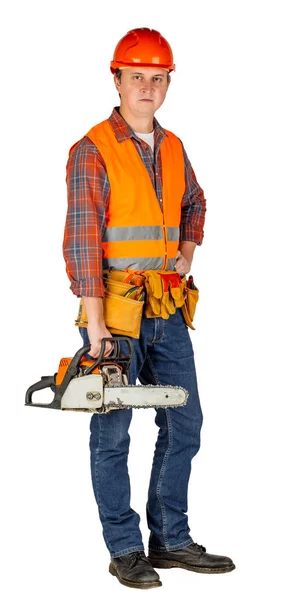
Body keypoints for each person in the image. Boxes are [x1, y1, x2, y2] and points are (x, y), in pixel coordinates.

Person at [63, 27, 235, 590]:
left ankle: (171, 539)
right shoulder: (91, 151)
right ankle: (124, 549)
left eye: (157, 78)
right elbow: (84, 242)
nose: (148, 87)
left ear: (167, 84)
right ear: (116, 79)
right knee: (113, 434)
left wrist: (186, 253)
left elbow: (195, 201)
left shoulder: (174, 146)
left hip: (167, 308)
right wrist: (94, 328)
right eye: (137, 76)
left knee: (185, 422)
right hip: (113, 314)